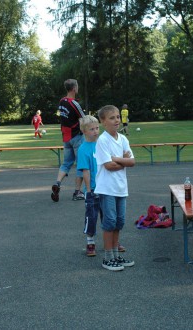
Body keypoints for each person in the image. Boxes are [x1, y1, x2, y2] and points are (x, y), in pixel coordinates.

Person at [95, 105, 135, 271]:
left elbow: (132, 162)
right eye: (112, 118)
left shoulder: (123, 139)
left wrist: (117, 159)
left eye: (118, 117)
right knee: (109, 222)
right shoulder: (102, 140)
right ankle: (108, 257)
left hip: (121, 188)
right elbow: (109, 166)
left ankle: (116, 255)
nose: (117, 120)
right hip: (107, 188)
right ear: (103, 122)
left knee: (119, 222)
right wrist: (123, 161)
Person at [51, 79, 86, 202]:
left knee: (66, 163)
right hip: (76, 136)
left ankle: (58, 183)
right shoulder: (74, 103)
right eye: (77, 86)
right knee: (81, 164)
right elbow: (84, 119)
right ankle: (77, 192)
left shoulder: (61, 101)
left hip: (65, 137)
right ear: (74, 89)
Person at [77, 115, 101, 257]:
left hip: (107, 188)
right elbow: (85, 171)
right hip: (93, 189)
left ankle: (112, 242)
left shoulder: (102, 144)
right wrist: (89, 191)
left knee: (110, 217)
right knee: (91, 217)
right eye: (91, 129)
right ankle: (90, 242)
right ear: (84, 131)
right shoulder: (83, 149)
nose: (95, 131)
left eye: (97, 128)